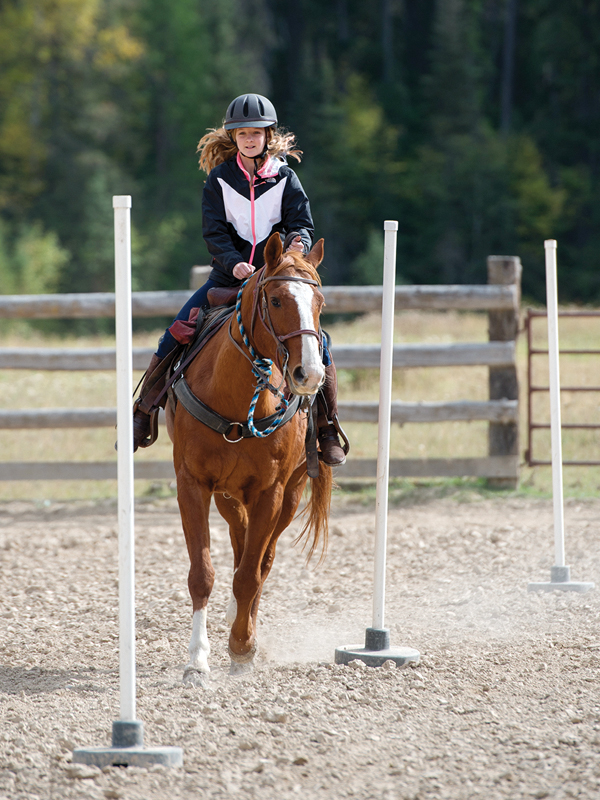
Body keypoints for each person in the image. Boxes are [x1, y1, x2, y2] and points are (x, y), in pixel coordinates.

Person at [132, 93, 348, 466]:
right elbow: (214, 233)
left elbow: (301, 223)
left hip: (274, 278)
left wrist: (298, 243)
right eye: (242, 133)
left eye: (256, 133)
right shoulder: (218, 180)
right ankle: (144, 411)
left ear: (268, 136)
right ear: (234, 137)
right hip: (228, 277)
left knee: (320, 343)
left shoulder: (286, 178)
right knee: (175, 332)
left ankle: (327, 427)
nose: (249, 139)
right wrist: (233, 264)